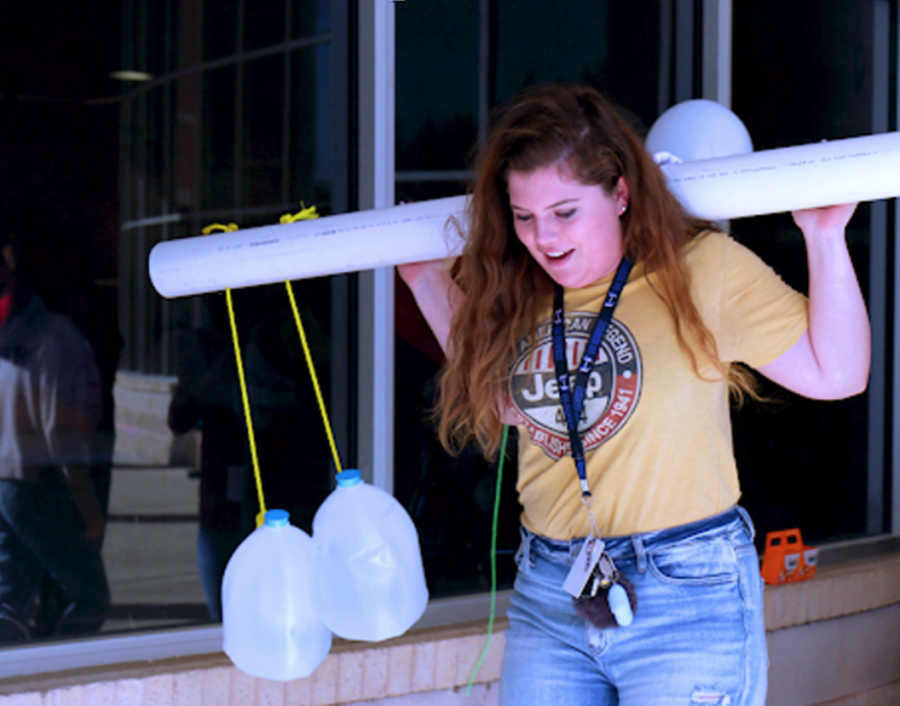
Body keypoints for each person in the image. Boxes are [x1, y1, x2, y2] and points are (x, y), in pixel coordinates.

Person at [398, 84, 869, 706]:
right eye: (525, 217)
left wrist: (824, 236)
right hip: (552, 585)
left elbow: (838, 374)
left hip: (686, 587)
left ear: (620, 193)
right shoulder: (521, 285)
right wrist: (426, 280)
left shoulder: (701, 269)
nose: (546, 238)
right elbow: (507, 407)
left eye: (566, 212)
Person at [0, 210, 110, 641]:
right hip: (37, 485)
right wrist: (87, 505)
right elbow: (62, 434)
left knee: (10, 598)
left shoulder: (17, 336)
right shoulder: (56, 337)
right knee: (89, 597)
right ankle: (61, 675)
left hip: (8, 481)